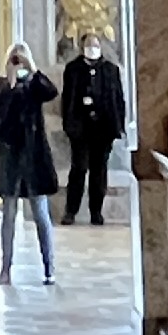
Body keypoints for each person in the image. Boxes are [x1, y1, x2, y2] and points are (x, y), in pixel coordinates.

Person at [0, 47, 60, 284]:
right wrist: (9, 83)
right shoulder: (2, 85)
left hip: (34, 156)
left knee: (41, 214)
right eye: (14, 59)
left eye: (21, 59)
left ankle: (49, 267)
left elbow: (51, 92)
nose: (18, 64)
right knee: (8, 216)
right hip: (11, 156)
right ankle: (5, 269)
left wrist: (33, 69)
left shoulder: (35, 84)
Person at [60, 31, 126, 224]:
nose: (92, 48)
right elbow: (67, 99)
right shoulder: (73, 69)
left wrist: (119, 125)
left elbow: (118, 99)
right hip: (80, 128)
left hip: (104, 128)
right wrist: (69, 124)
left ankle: (96, 211)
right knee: (79, 168)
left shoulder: (111, 70)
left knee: (99, 170)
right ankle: (71, 211)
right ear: (82, 48)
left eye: (95, 44)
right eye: (89, 45)